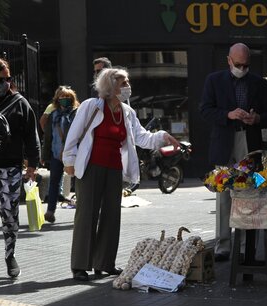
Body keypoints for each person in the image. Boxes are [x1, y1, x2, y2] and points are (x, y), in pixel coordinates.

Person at [63, 68, 180, 281]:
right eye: (123, 83)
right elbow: (74, 135)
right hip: (91, 166)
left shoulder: (127, 111)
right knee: (87, 214)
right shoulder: (91, 106)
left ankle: (104, 263)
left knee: (111, 215)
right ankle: (80, 265)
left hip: (114, 168)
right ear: (110, 86)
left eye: (127, 82)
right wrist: (69, 161)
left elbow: (141, 137)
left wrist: (163, 136)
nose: (127, 87)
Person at [200, 43, 267, 262]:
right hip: (224, 139)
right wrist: (228, 114)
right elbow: (205, 110)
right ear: (229, 60)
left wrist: (257, 118)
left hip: (248, 139)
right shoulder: (214, 80)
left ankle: (246, 246)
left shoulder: (259, 83)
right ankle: (223, 245)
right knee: (223, 193)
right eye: (238, 64)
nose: (242, 68)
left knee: (249, 192)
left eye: (246, 65)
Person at [0, 58, 40, 277]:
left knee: (9, 214)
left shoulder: (19, 103)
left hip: (9, 168)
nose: (4, 83)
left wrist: (32, 164)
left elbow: (31, 135)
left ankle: (10, 255)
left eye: (7, 79)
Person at [41, 86, 80, 223]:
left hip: (75, 154)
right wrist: (45, 156)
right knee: (54, 182)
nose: (65, 100)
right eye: (62, 97)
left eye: (67, 97)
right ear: (57, 99)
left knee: (79, 183)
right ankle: (50, 211)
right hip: (56, 154)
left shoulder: (77, 113)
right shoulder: (53, 115)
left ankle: (81, 212)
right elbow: (48, 137)